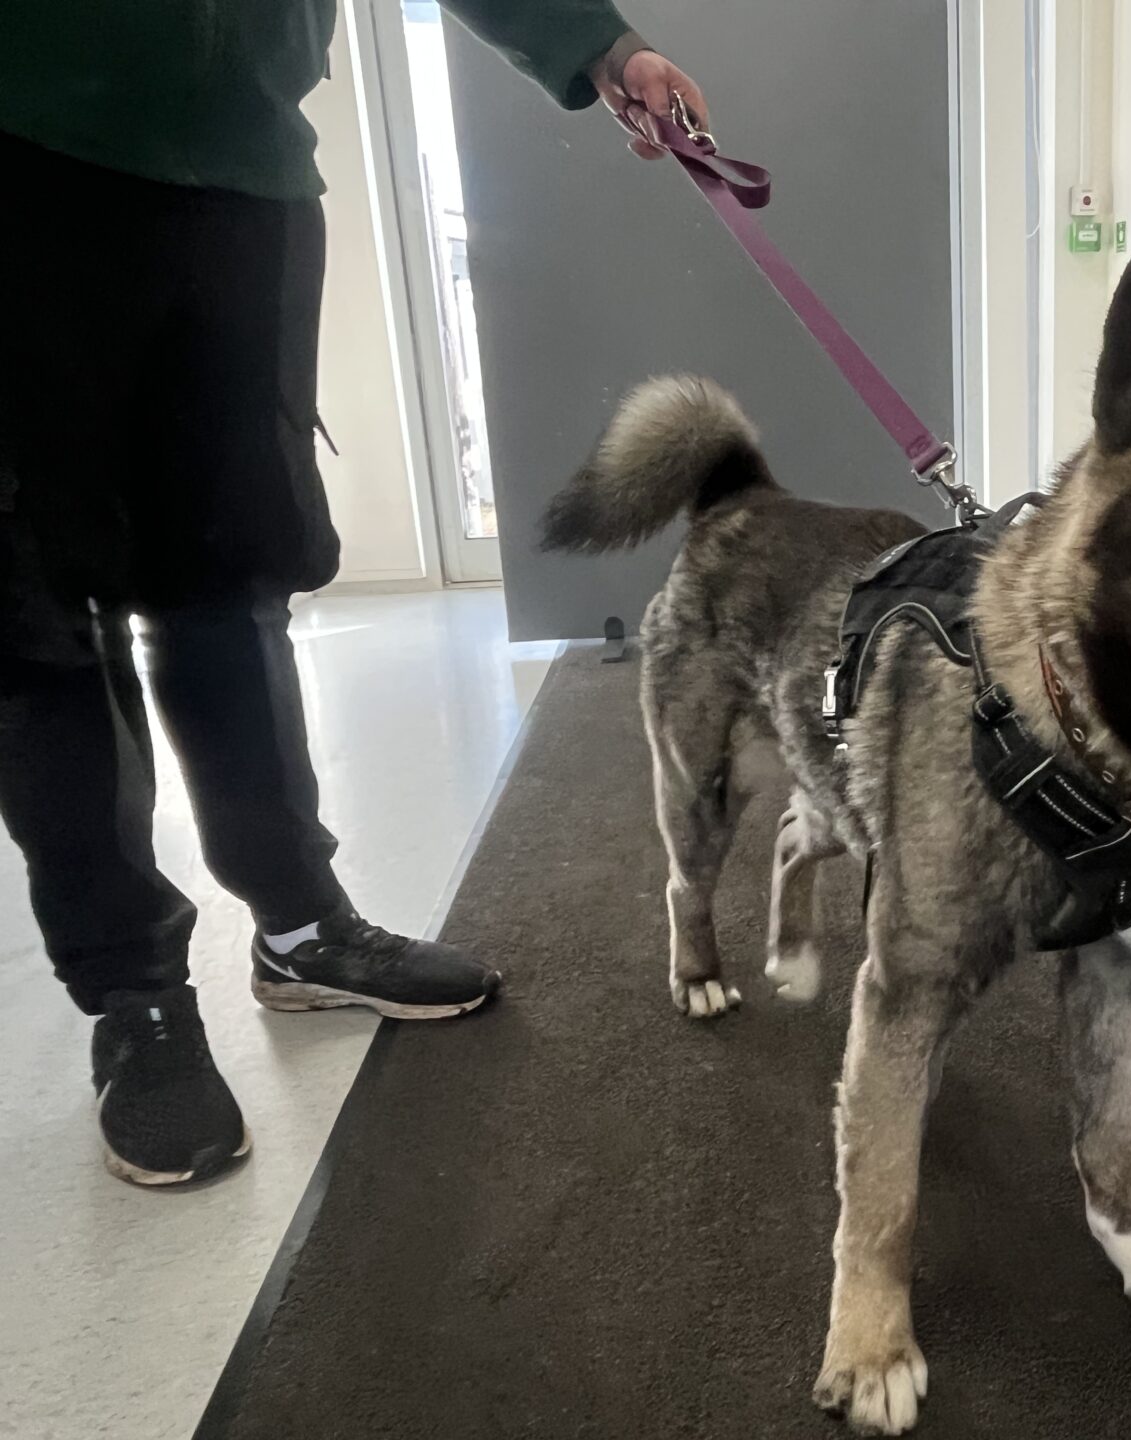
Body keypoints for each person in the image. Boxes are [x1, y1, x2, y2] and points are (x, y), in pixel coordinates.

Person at [0, 5, 706, 1187]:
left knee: (236, 578)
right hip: (28, 150)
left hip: (250, 168)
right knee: (39, 610)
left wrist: (598, 44)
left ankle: (298, 924)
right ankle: (134, 996)